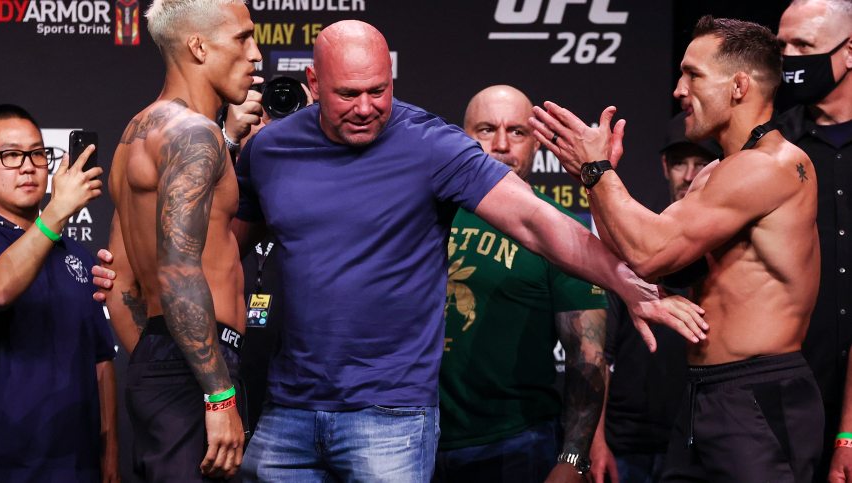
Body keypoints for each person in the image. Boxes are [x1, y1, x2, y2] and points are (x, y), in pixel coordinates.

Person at [232, 20, 706, 482]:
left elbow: (536, 222)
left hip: (391, 415)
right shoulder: (271, 150)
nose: (364, 108)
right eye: (347, 95)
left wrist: (629, 283)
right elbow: (225, 248)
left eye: (378, 91)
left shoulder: (429, 144)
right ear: (314, 82)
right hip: (289, 411)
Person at [533, 15, 823, 481]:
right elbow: (641, 260)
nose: (678, 90)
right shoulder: (714, 175)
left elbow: (650, 251)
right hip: (704, 395)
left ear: (739, 86)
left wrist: (600, 174)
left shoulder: (772, 166)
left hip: (758, 396)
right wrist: (594, 183)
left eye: (693, 75)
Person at [99, 0, 261, 480]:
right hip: (200, 370)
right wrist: (217, 392)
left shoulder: (137, 132)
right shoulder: (195, 135)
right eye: (243, 37)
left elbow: (120, 278)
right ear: (197, 45)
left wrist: (156, 359)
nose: (256, 55)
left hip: (168, 357)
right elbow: (177, 269)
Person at [433, 85, 608, 483]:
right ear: (462, 137)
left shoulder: (562, 232)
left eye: (516, 132)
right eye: (485, 129)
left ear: (535, 144)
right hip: (412, 437)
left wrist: (572, 459)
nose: (500, 144)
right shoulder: (423, 216)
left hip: (515, 444)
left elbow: (588, 355)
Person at [588, 113, 722, 483]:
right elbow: (599, 354)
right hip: (627, 441)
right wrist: (595, 443)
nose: (689, 175)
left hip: (701, 440)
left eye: (700, 163)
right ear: (665, 166)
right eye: (680, 162)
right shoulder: (634, 245)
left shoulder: (730, 252)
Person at [0, 104, 117, 482]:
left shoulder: (76, 254)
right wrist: (55, 214)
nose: (28, 166)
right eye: (10, 155)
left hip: (77, 468)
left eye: (36, 153)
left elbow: (101, 362)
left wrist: (110, 460)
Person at [774, 1, 852, 480]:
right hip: (789, 395)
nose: (789, 58)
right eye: (783, 45)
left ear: (849, 52)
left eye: (804, 45)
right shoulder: (772, 147)